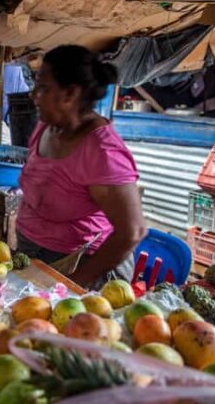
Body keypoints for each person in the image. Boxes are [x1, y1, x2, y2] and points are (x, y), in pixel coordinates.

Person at [16, 45, 147, 291]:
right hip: (35, 255)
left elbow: (132, 231)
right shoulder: (46, 127)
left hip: (82, 266)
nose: (33, 95)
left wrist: (74, 284)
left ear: (69, 94)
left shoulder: (102, 152)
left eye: (43, 88)